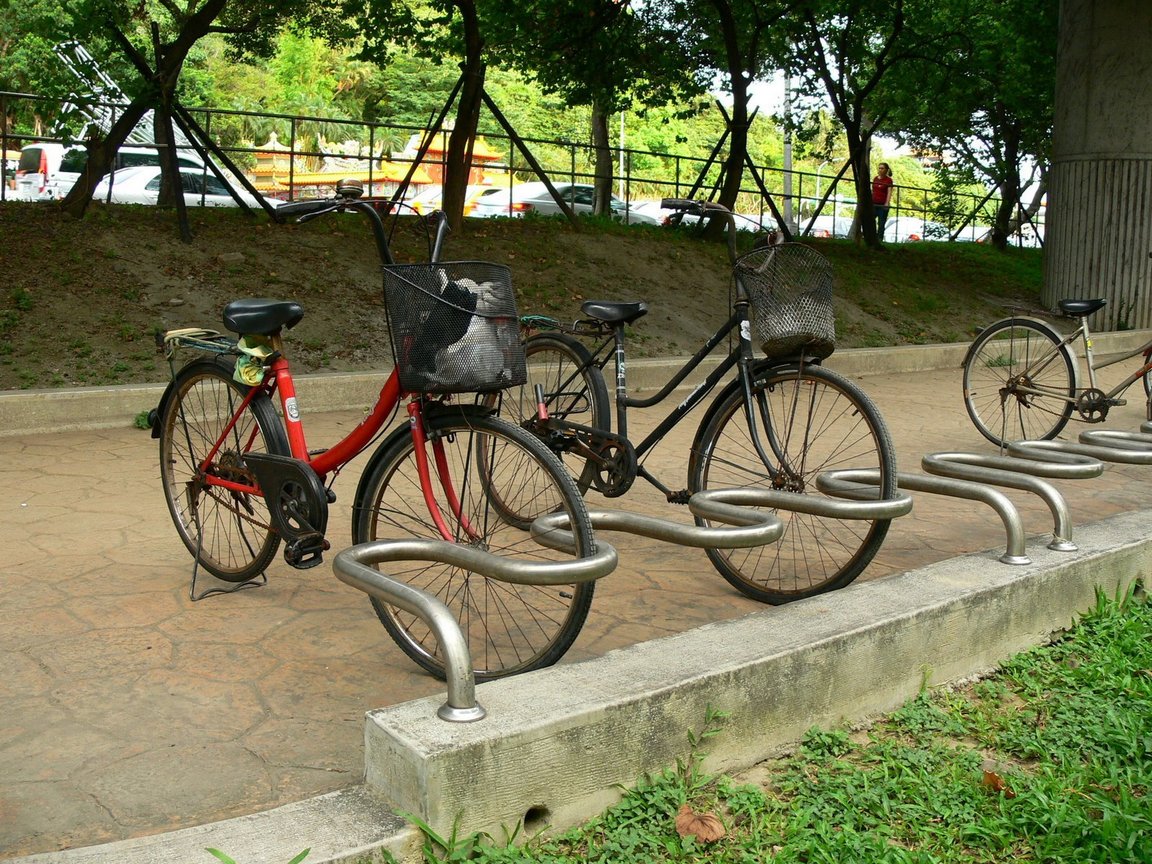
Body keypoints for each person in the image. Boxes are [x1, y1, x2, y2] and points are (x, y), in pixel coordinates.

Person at [871, 162, 894, 239]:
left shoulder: (888, 180)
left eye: (882, 168)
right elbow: (872, 190)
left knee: (881, 223)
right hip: (873, 203)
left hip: (882, 204)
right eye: (879, 168)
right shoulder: (875, 178)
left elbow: (889, 192)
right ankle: (871, 237)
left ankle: (880, 239)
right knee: (870, 221)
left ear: (886, 170)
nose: (880, 170)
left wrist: (887, 203)